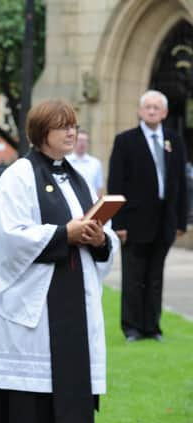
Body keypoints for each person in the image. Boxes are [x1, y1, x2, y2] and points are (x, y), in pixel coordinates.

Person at [0, 99, 118, 423]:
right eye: (63, 126)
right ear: (42, 132)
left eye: (74, 126)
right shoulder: (18, 177)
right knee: (31, 409)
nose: (72, 132)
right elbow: (8, 238)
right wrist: (63, 234)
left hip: (75, 309)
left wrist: (99, 239)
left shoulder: (77, 178)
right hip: (35, 316)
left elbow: (103, 239)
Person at [107, 89, 188, 342]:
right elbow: (116, 184)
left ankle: (152, 327)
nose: (152, 111)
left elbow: (181, 183)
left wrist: (181, 220)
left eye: (156, 107)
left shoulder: (173, 140)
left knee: (155, 277)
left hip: (165, 220)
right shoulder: (125, 141)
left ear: (164, 113)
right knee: (133, 277)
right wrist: (118, 223)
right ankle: (132, 327)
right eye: (147, 107)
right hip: (134, 222)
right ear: (140, 111)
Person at [66, 129, 104, 197]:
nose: (82, 143)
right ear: (74, 142)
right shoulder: (66, 161)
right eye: (80, 140)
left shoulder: (96, 163)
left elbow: (99, 188)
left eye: (85, 141)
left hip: (91, 201)